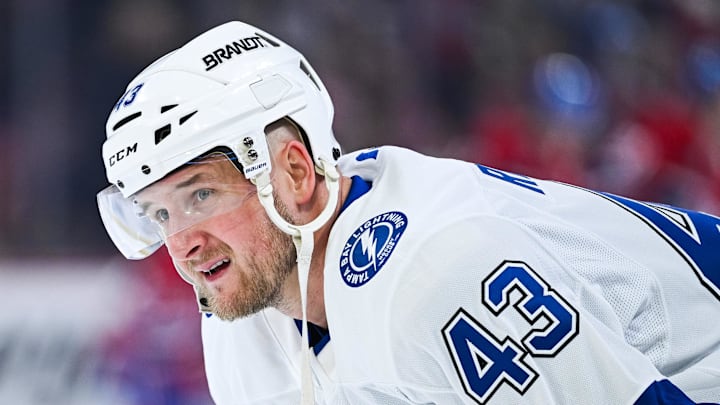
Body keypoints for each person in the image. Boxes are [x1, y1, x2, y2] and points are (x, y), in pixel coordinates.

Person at [97, 21, 720, 404]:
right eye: (158, 214)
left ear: (294, 171)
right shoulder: (244, 317)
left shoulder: (440, 271)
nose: (183, 244)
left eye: (200, 196)